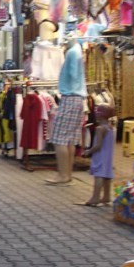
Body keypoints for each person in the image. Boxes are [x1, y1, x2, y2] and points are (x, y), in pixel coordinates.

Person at [46, 35, 86, 185]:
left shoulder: (72, 52)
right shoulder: (78, 51)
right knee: (69, 140)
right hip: (78, 98)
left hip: (70, 96)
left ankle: (62, 174)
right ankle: (67, 174)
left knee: (59, 138)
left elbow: (72, 74)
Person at [79, 104, 115, 207]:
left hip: (100, 155)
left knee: (98, 175)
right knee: (107, 175)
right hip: (108, 155)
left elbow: (98, 145)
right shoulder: (110, 127)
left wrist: (88, 151)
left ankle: (95, 197)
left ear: (99, 115)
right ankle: (106, 196)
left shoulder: (100, 129)